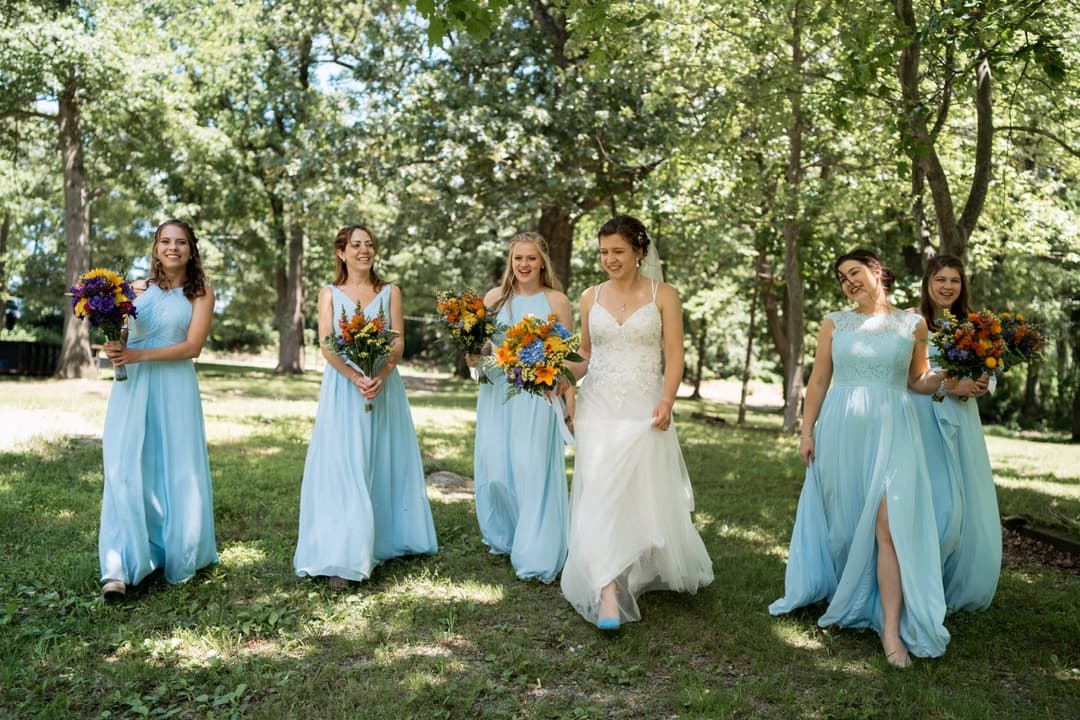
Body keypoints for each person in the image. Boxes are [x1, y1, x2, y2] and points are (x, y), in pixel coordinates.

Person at [769, 248, 950, 668]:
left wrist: (949, 376)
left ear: (877, 271)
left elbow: (917, 380)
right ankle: (849, 591)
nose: (848, 281)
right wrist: (805, 431)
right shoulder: (836, 322)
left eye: (854, 272)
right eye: (841, 277)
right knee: (849, 524)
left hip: (895, 428)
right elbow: (818, 380)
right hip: (843, 428)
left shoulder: (913, 323)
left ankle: (890, 628)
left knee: (890, 523)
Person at [560, 215, 714, 630]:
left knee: (635, 492)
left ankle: (629, 566)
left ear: (639, 251)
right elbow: (586, 357)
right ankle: (608, 588)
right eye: (603, 252)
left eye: (618, 251)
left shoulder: (664, 294)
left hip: (645, 407)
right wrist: (556, 375)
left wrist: (668, 399)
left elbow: (675, 354)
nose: (609, 259)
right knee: (601, 490)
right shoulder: (590, 296)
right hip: (598, 406)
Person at [294, 224, 437, 588]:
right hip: (344, 389)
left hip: (382, 386)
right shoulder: (328, 294)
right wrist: (355, 376)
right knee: (345, 462)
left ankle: (384, 538)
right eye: (355, 245)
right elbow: (327, 345)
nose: (364, 250)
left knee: (380, 458)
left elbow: (398, 342)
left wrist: (381, 373)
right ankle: (343, 553)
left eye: (369, 245)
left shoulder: (390, 292)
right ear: (341, 252)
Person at [99, 219, 218, 598]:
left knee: (175, 467)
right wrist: (115, 345)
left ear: (191, 250)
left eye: (180, 242)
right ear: (155, 248)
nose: (172, 248)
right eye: (165, 241)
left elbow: (192, 347)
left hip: (175, 387)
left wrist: (137, 355)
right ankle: (119, 565)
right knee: (124, 465)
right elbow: (123, 336)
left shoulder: (201, 294)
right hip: (131, 388)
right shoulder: (135, 290)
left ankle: (173, 550)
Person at [466, 233, 572, 583]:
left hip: (537, 398)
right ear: (511, 262)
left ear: (542, 261)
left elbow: (567, 357)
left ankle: (538, 548)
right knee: (496, 470)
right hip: (497, 395)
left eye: (530, 258)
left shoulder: (556, 299)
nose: (523, 265)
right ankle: (506, 536)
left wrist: (561, 385)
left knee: (532, 469)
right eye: (517, 258)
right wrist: (472, 354)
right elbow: (478, 354)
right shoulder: (495, 299)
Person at [912, 254, 1001, 612]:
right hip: (926, 413)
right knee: (937, 498)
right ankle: (920, 579)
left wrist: (984, 383)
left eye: (954, 280)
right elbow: (909, 376)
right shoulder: (914, 322)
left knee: (965, 495)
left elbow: (990, 368)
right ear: (928, 283)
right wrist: (948, 387)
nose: (948, 286)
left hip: (963, 418)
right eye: (941, 279)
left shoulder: (975, 324)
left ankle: (956, 581)